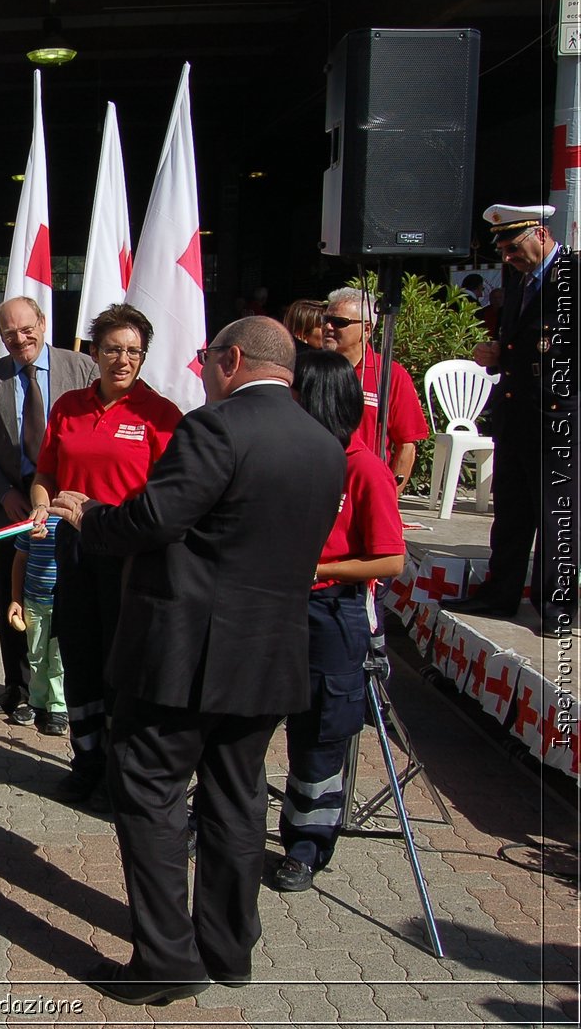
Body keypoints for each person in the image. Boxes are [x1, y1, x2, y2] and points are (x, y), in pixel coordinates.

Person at [46, 317, 345, 1006]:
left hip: (185, 654)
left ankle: (166, 960)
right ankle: (227, 946)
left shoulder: (215, 428)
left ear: (233, 360)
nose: (202, 370)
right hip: (269, 655)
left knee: (147, 790)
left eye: (208, 359)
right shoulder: (323, 444)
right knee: (237, 799)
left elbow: (155, 518)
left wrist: (92, 518)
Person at [29, 304, 182, 805]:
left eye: (133, 351)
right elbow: (46, 475)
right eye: (113, 349)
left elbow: (169, 500)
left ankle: (124, 771)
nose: (123, 360)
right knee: (79, 655)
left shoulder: (160, 415)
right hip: (73, 551)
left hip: (130, 557)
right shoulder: (69, 406)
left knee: (123, 663)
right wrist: (39, 507)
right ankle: (86, 759)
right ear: (94, 352)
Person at [273, 350, 405, 894]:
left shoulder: (364, 468)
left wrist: (315, 569)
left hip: (332, 613)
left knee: (319, 735)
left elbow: (390, 560)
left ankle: (306, 846)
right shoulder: (286, 458)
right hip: (276, 608)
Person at [443, 204, 578, 638]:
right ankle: (499, 593)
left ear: (540, 233)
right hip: (517, 412)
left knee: (556, 516)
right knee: (513, 512)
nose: (507, 257)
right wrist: (498, 355)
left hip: (557, 416)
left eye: (514, 246)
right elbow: (520, 343)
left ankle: (557, 607)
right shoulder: (522, 279)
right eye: (502, 249)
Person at [0, 296, 97, 726]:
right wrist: (3, 494)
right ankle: (20, 688)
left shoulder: (81, 368)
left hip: (70, 497)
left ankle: (69, 690)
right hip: (13, 499)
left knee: (70, 590)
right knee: (13, 591)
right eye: (8, 334)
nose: (20, 339)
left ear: (42, 322)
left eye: (26, 329)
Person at [322, 286, 429, 494]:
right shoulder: (308, 369)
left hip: (364, 489)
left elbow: (407, 444)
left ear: (367, 329)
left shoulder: (390, 374)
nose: (327, 326)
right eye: (324, 319)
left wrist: (388, 497)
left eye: (339, 322)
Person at [7, 510, 68, 735]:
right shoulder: (32, 522)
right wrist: (15, 599)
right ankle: (37, 702)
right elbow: (20, 560)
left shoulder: (71, 522)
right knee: (36, 654)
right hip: (33, 601)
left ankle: (59, 707)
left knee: (58, 658)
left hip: (63, 603)